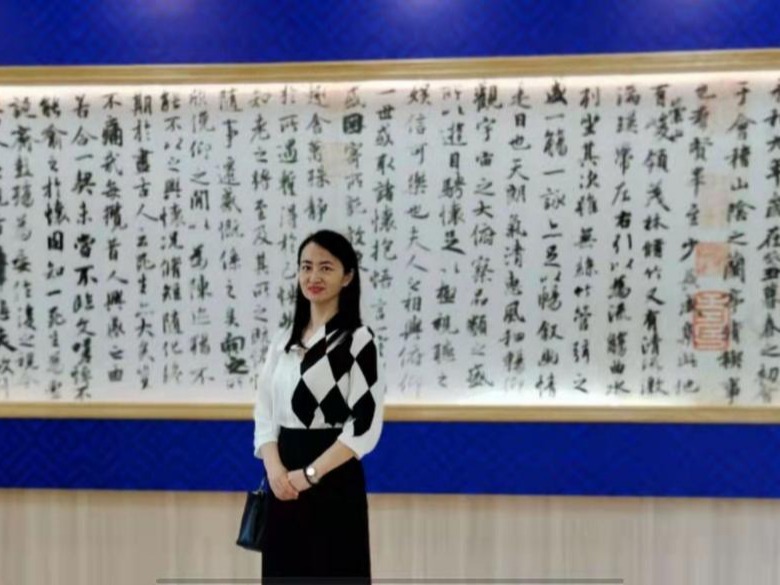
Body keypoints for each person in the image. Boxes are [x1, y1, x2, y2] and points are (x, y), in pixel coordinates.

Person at [253, 229, 384, 584]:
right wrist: (275, 469)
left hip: (333, 476)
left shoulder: (358, 340)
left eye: (326, 268)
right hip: (283, 479)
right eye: (306, 267)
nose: (314, 276)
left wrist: (310, 474)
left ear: (348, 277)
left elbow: (364, 425)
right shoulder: (283, 340)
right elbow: (265, 412)